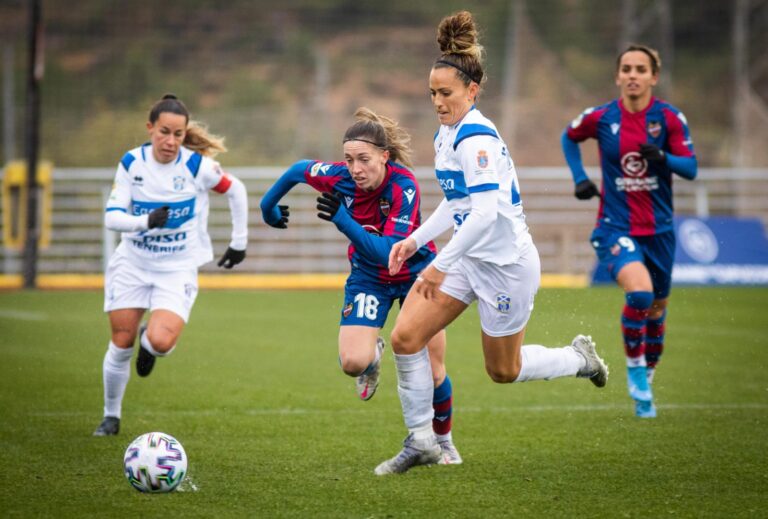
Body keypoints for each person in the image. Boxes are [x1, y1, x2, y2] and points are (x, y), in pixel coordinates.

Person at [374, 11, 609, 476]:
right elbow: (458, 203)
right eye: (433, 94)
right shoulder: (448, 133)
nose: (438, 102)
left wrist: (438, 263)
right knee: (405, 337)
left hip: (505, 266)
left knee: (504, 370)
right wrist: (414, 239)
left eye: (446, 94)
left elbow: (484, 215)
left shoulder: (476, 138)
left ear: (471, 91)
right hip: (468, 258)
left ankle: (577, 357)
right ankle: (423, 441)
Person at [259, 107, 462, 465]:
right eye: (349, 159)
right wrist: (268, 208)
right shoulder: (340, 178)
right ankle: (372, 358)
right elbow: (296, 170)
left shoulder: (404, 185)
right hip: (369, 278)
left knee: (432, 369)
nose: (355, 169)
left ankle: (444, 442)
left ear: (385, 157)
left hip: (416, 274)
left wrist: (342, 219)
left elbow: (390, 253)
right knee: (352, 362)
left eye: (364, 160)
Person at [93, 94, 249, 436]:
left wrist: (239, 243)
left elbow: (236, 189)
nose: (170, 141)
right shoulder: (132, 163)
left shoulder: (196, 166)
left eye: (178, 134)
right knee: (121, 340)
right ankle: (111, 416)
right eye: (164, 132)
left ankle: (150, 342)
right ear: (150, 128)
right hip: (132, 263)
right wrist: (144, 222)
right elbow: (112, 217)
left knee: (161, 343)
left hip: (177, 269)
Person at [561, 44, 697, 418]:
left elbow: (691, 168)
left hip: (660, 231)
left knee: (656, 311)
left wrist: (665, 158)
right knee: (640, 295)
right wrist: (579, 178)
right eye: (627, 69)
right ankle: (635, 371)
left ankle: (647, 376)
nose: (633, 75)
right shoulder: (602, 117)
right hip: (614, 227)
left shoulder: (669, 118)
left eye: (641, 69)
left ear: (653, 76)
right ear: (618, 76)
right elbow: (568, 137)